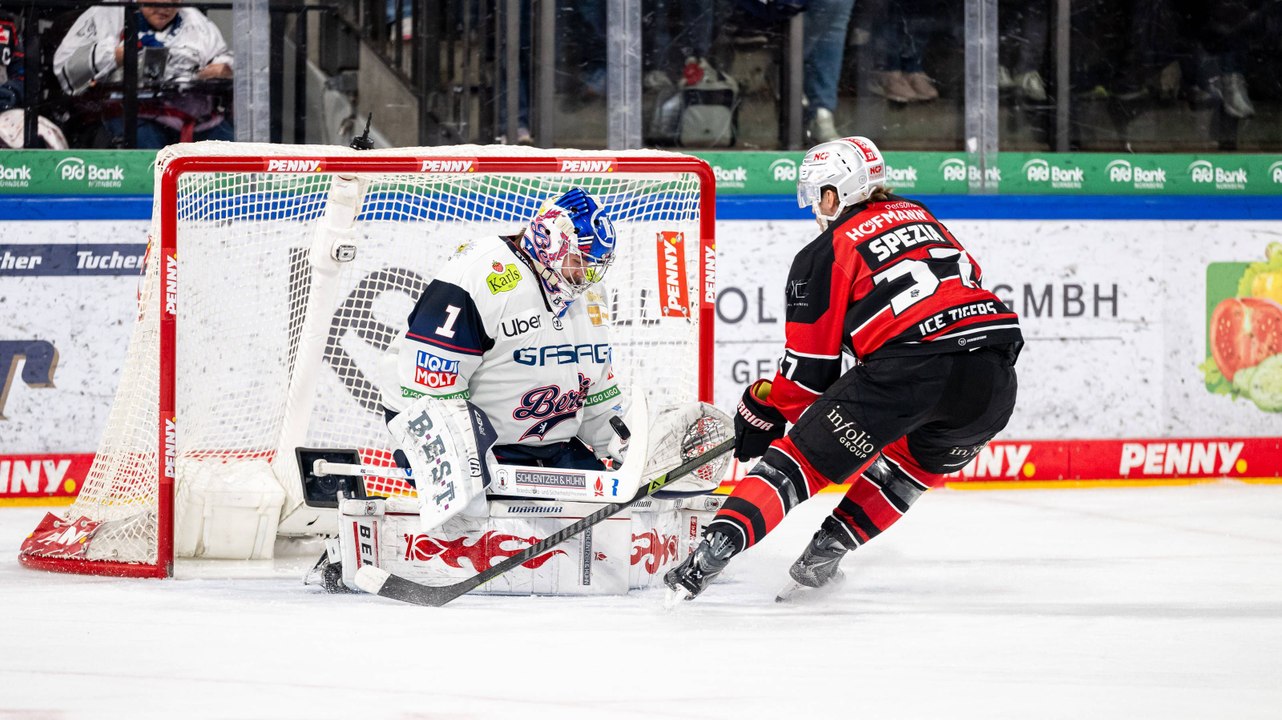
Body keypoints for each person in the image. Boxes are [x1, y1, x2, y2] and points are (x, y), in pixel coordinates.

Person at [664, 136, 1023, 601]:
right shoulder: (927, 219)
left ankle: (707, 558)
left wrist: (763, 406)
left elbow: (806, 382)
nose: (816, 210)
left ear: (834, 195)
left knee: (799, 462)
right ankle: (823, 556)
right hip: (993, 380)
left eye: (818, 198)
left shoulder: (824, 252)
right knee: (909, 467)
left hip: (910, 368)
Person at [380, 187, 629, 473]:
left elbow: (596, 395)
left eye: (593, 263)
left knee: (602, 509)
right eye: (578, 260)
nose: (586, 274)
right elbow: (429, 380)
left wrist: (627, 448)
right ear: (549, 242)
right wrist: (465, 461)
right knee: (478, 513)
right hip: (441, 426)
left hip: (549, 446)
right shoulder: (478, 275)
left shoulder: (589, 292)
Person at [52, 0, 234, 148]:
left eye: (173, 1)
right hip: (130, 115)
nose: (166, 6)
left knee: (237, 152)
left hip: (196, 121)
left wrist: (222, 67)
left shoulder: (194, 20)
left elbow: (222, 56)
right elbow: (65, 68)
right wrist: (114, 56)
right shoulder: (107, 13)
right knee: (153, 162)